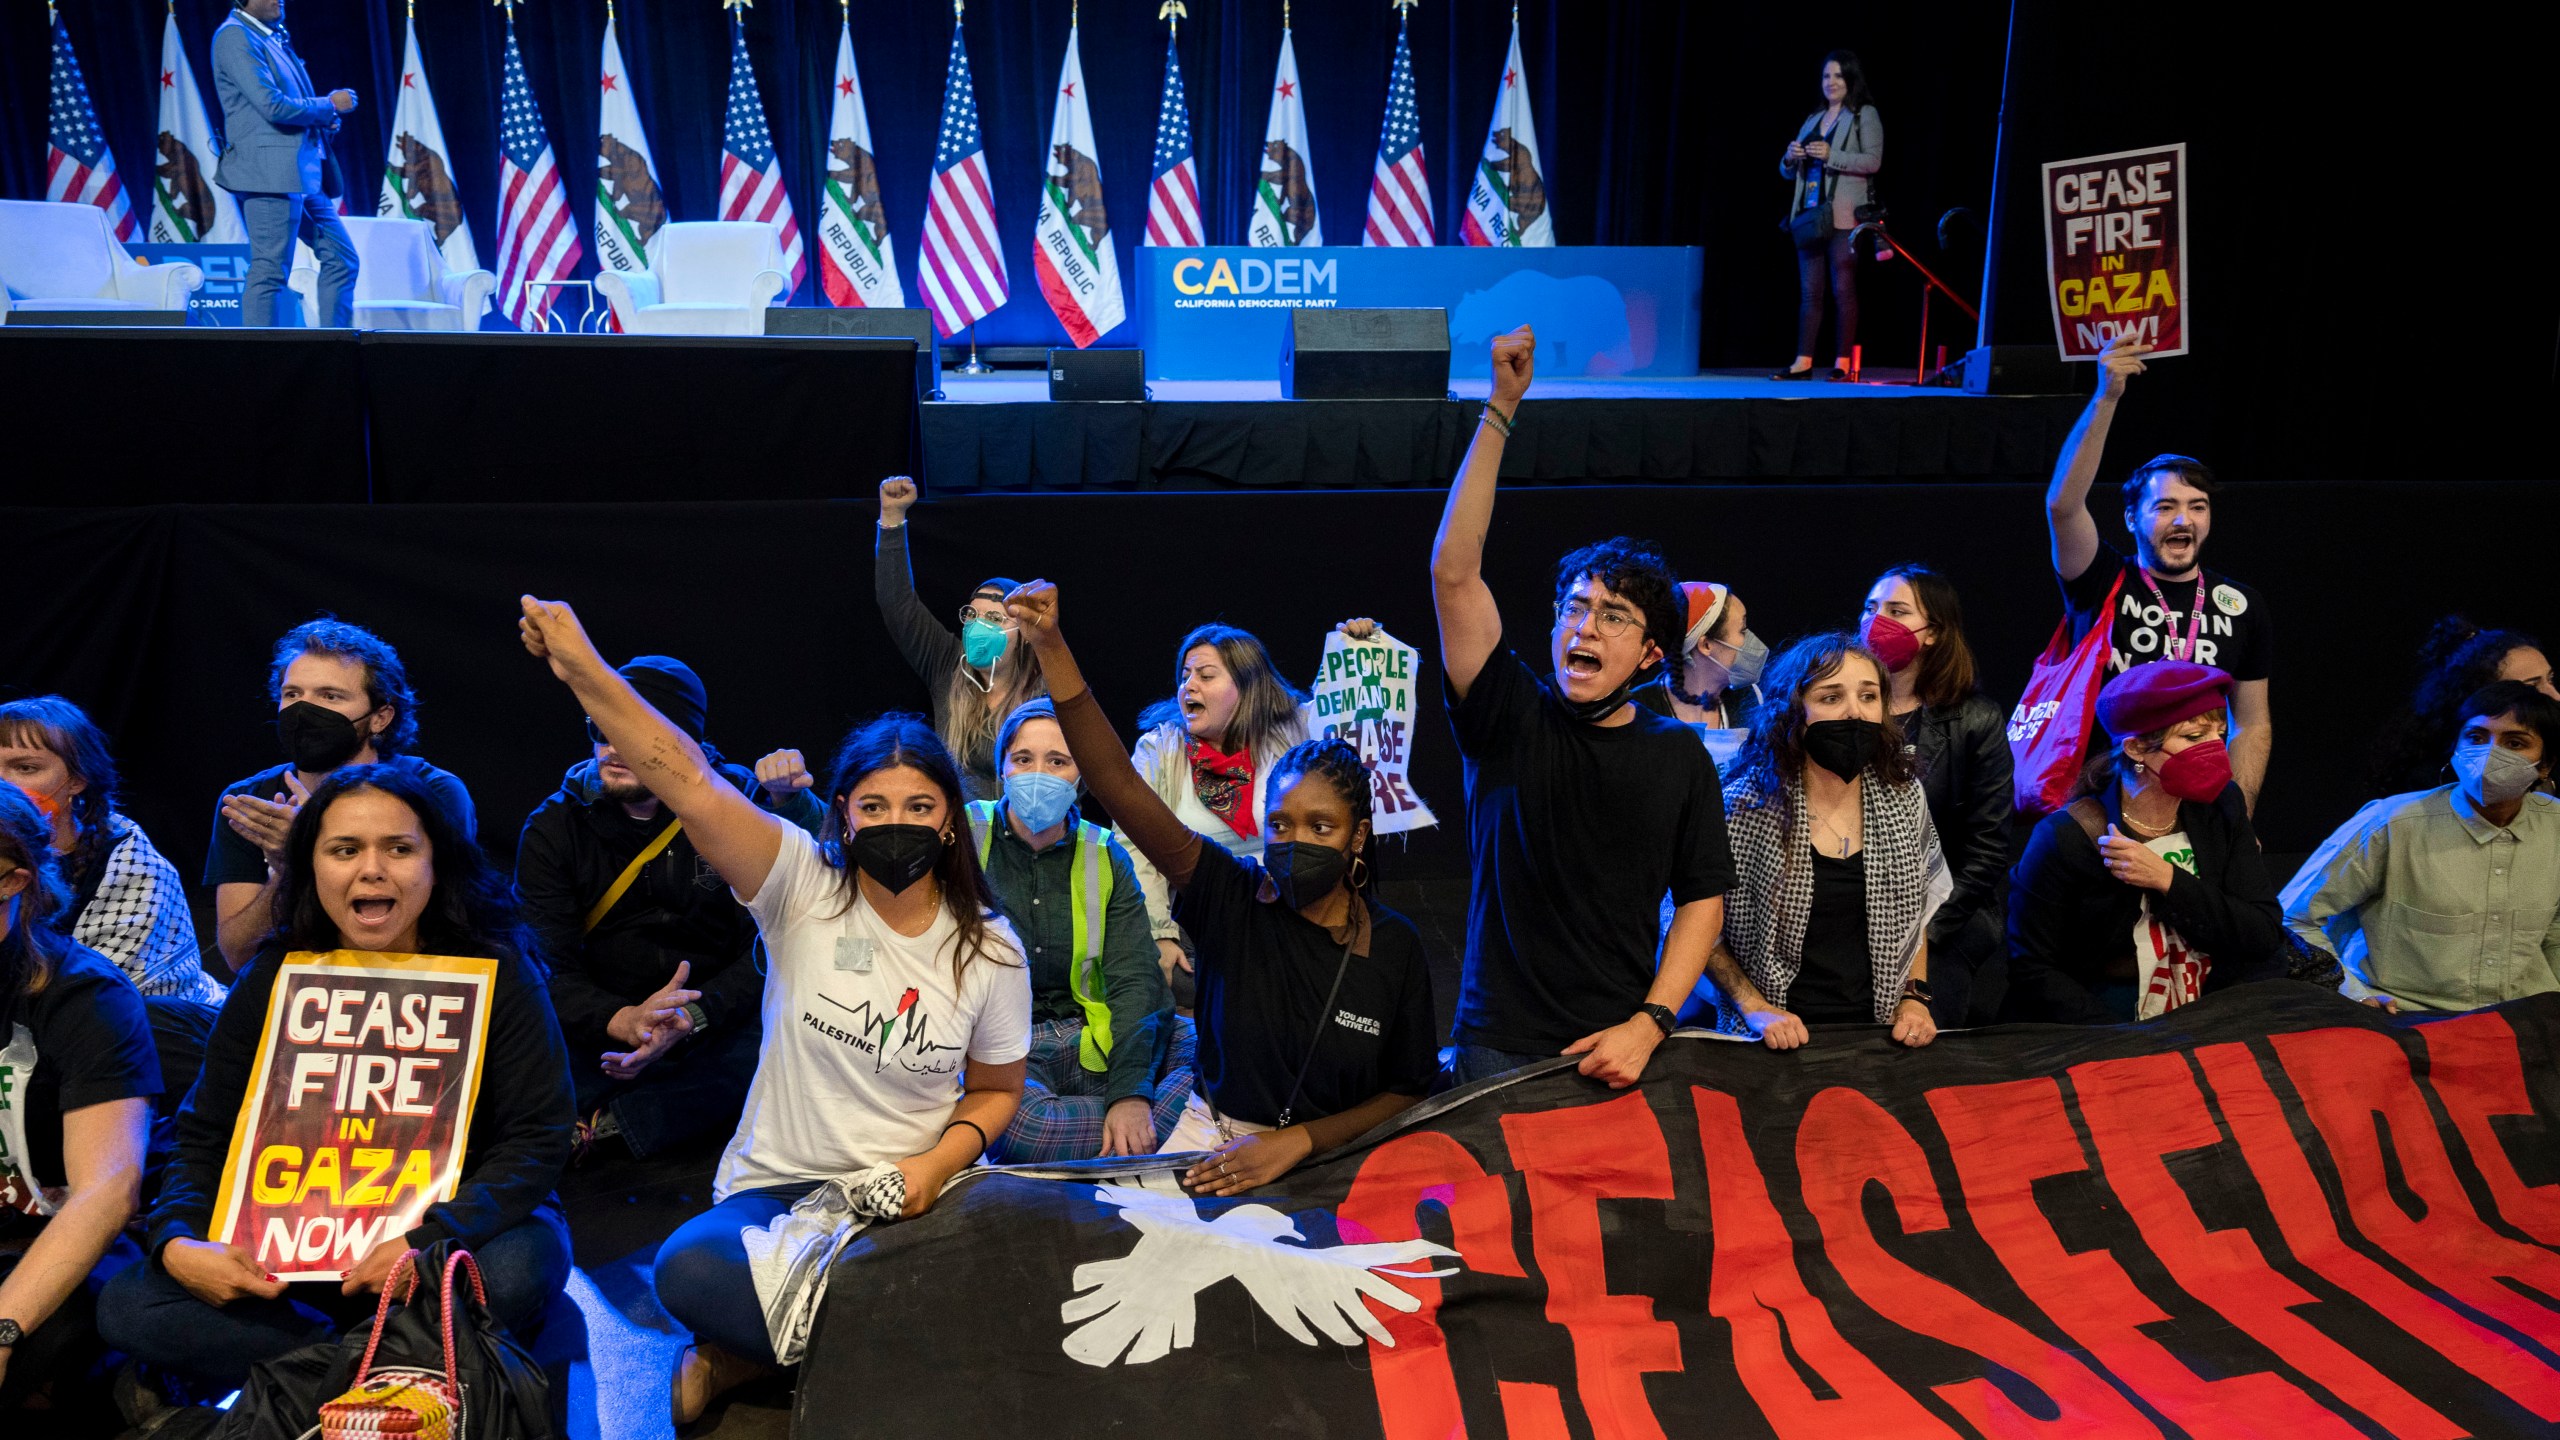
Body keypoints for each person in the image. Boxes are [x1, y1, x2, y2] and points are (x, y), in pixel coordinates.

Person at [514, 597, 1028, 1425]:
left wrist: (933, 1168)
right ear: (844, 815)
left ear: (949, 824)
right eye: (873, 807)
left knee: (1016, 1273)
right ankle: (888, 1328)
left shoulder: (990, 947)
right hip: (778, 1193)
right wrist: (586, 673)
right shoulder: (800, 885)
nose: (895, 824)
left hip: (917, 1195)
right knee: (688, 1269)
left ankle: (740, 1360)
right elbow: (685, 775)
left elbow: (999, 1091)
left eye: (919, 807)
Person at [99, 765, 573, 1397]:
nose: (370, 870)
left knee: (517, 1271)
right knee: (129, 1303)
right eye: (344, 850)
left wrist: (427, 1237)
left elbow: (537, 1138)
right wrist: (177, 1239)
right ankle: (397, 1370)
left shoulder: (499, 970)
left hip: (444, 1238)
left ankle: (303, 1376)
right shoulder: (274, 974)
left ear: (438, 863)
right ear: (312, 867)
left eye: (399, 849)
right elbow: (203, 1132)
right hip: (291, 1256)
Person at [1006, 581, 1437, 1194]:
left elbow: (1409, 1089)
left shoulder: (1396, 947)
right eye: (1281, 825)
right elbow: (1118, 785)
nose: (1296, 842)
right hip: (1213, 1151)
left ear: (1358, 836)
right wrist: (1050, 644)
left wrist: (1297, 1142)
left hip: (1341, 1170)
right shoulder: (1229, 895)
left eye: (1322, 827)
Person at [1429, 325, 1734, 1089]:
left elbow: (1702, 898)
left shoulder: (1677, 755)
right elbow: (1454, 573)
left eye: (1613, 616)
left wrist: (1651, 1021)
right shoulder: (1508, 714)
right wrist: (1501, 406)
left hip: (1617, 1050)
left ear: (1652, 653)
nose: (1584, 625)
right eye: (1574, 607)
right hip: (1496, 1048)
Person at [515, 656, 825, 1163]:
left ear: (683, 742)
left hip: (711, 1022)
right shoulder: (555, 826)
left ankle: (610, 1124)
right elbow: (546, 964)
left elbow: (774, 943)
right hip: (601, 1023)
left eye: (633, 731)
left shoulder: (736, 802)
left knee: (796, 1029)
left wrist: (691, 1017)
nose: (614, 747)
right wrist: (621, 1020)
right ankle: (611, 1112)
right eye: (602, 727)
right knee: (521, 1024)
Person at [930, 697, 1189, 1162]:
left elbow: (1135, 978)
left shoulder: (1106, 853)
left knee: (1208, 1044)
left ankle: (1119, 1125)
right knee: (1020, 1126)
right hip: (1004, 1049)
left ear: (1081, 777)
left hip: (1088, 1035)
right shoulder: (963, 836)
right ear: (1003, 768)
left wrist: (1130, 1094)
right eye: (1024, 759)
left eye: (1058, 761)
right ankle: (1158, 1134)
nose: (1038, 774)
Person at [2046, 335, 2273, 811]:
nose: (2182, 520)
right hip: (2101, 802)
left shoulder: (2242, 604)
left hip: (2197, 806)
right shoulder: (2101, 578)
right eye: (2165, 506)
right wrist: (2106, 398)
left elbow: (2251, 723)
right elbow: (2063, 506)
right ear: (2132, 518)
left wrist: (2240, 815)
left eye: (2197, 507)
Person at [0, 787, 161, 1427]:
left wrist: (3, 1330)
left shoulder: (85, 996)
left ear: (13, 882)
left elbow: (107, 1190)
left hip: (54, 1245)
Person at [2006, 662, 2290, 1023]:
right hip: (2106, 1014)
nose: (2215, 749)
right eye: (2193, 737)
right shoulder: (2065, 836)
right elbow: (2032, 968)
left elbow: (2263, 931)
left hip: (2212, 1001)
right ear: (2137, 748)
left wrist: (2168, 879)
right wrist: (2127, 1041)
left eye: (2219, 733)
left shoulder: (2222, 804)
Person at [1701, 634, 1947, 1049]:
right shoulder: (1742, 806)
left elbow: (1917, 915)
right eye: (1832, 697)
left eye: (1868, 697)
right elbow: (1697, 930)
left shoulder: (1904, 796)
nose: (1855, 712)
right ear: (1795, 710)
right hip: (1772, 1038)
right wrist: (1755, 1008)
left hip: (1877, 1033)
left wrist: (1915, 998)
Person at [206, 618, 474, 976]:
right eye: (292, 695)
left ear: (380, 717)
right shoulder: (249, 803)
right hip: (295, 991)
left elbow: (450, 929)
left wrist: (309, 846)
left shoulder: (434, 793)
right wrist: (287, 870)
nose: (304, 710)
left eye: (329, 696)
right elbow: (240, 956)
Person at [2285, 681, 2560, 1014]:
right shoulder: (2391, 823)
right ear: (2456, 747)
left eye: (2514, 743)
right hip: (2410, 1022)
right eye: (2475, 738)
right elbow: (2292, 917)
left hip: (2525, 1021)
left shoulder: (2555, 826)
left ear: (2545, 765)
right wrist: (2353, 994)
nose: (2490, 755)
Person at [1858, 567, 2013, 1026]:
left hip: (1944, 919)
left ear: (1934, 634)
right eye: (1870, 608)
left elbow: (1988, 850)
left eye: (1896, 611)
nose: (1875, 622)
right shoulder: (1838, 705)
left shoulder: (1976, 720)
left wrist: (1921, 932)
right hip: (1850, 911)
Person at [1124, 623, 1314, 996]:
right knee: (1183, 984)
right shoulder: (1160, 750)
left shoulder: (1294, 733)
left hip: (1287, 912)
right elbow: (1134, 847)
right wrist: (1160, 934)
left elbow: (1352, 710)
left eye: (1206, 675)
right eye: (1185, 676)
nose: (1188, 686)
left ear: (1247, 687)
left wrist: (1359, 643)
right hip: (1199, 922)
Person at [0, 696, 222, 1004]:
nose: (4, 784)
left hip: (146, 1025)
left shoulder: (131, 864)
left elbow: (107, 998)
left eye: (25, 768)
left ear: (77, 780)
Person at [873, 475, 1047, 801]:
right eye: (973, 616)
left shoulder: (1045, 689)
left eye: (995, 618)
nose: (979, 628)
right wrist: (892, 518)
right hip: (959, 834)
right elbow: (897, 603)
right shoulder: (948, 663)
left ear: (1023, 634)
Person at [210, 0, 357, 328]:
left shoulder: (270, 36)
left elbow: (287, 105)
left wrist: (324, 119)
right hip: (269, 175)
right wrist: (329, 104)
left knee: (342, 260)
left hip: (302, 174)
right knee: (270, 270)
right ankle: (262, 364)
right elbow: (272, 106)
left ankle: (339, 349)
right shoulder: (234, 36)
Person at [1774, 51, 1881, 381]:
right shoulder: (1812, 119)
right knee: (1810, 293)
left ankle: (1843, 363)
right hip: (1809, 215)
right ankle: (1803, 362)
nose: (1830, 82)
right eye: (1825, 77)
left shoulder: (1864, 114)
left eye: (1837, 76)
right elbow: (1786, 171)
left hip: (1842, 215)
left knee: (1843, 290)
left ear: (1850, 79)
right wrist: (1790, 159)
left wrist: (1832, 155)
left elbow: (1872, 162)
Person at [2368, 618, 2558, 797]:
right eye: (2532, 687)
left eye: (2550, 679)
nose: (2556, 696)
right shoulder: (2428, 788)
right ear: (2484, 699)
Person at [1632, 581, 1767, 776]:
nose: (1751, 640)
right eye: (1742, 631)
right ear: (1705, 645)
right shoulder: (1639, 711)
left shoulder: (1749, 700)